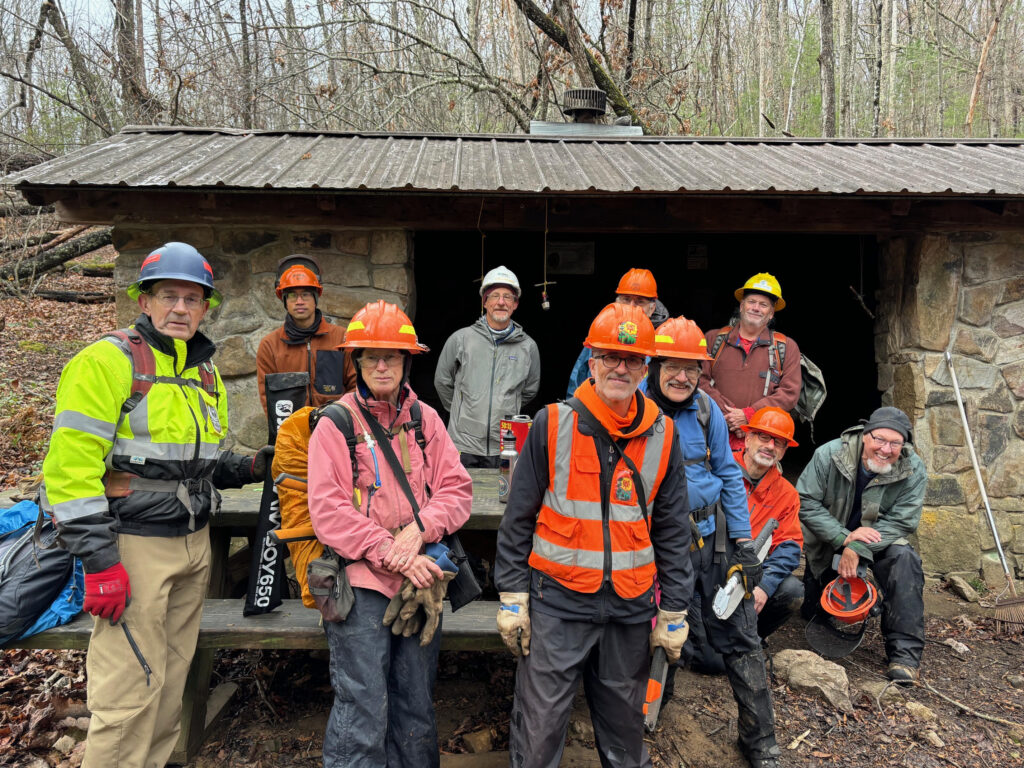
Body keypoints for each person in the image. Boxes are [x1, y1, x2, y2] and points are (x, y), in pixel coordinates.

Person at [39, 242, 269, 768]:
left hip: (192, 547)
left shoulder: (204, 373)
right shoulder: (107, 362)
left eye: (193, 298)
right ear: (144, 301)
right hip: (133, 547)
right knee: (128, 694)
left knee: (168, 687)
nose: (181, 308)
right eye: (169, 296)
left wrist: (253, 465)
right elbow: (69, 473)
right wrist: (100, 562)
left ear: (207, 307)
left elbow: (201, 461)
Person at [495, 302, 693, 768]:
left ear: (646, 367)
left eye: (632, 360)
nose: (620, 368)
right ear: (592, 361)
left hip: (630, 606)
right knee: (540, 729)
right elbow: (518, 518)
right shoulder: (553, 423)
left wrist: (675, 608)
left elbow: (671, 529)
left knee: (626, 734)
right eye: (609, 357)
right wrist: (511, 596)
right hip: (559, 602)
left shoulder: (664, 436)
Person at [307, 300, 473, 767]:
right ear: (356, 361)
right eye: (371, 356)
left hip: (421, 583)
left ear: (406, 362)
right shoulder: (335, 425)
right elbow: (329, 513)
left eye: (393, 356)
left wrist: (419, 531)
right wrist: (396, 552)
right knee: (363, 706)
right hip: (361, 586)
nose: (382, 365)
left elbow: (457, 491)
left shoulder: (425, 420)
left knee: (415, 702)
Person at [643, 317, 782, 768]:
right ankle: (645, 720)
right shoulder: (635, 409)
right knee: (649, 635)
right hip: (655, 548)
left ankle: (760, 741)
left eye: (693, 368)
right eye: (673, 366)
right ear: (654, 364)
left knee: (742, 638)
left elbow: (727, 474)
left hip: (711, 541)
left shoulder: (706, 412)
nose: (683, 377)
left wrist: (743, 542)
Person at [797, 406, 926, 683]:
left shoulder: (913, 468)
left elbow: (902, 522)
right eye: (879, 439)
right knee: (813, 610)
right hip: (830, 539)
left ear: (904, 445)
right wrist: (844, 538)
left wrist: (856, 548)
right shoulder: (829, 455)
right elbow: (805, 503)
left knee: (905, 561)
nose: (885, 449)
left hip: (879, 541)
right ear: (865, 435)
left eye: (895, 443)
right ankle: (823, 598)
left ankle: (904, 656)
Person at [434, 265, 541, 468]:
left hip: (506, 443)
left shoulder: (528, 346)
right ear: (485, 302)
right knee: (460, 497)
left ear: (515, 304)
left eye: (508, 297)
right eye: (494, 296)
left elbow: (530, 390)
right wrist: (462, 411)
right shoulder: (461, 339)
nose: (501, 302)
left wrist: (507, 406)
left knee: (502, 496)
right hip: (463, 444)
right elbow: (442, 382)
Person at [699, 272, 801, 451]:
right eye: (751, 302)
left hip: (761, 439)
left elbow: (789, 393)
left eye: (763, 305)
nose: (756, 308)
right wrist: (728, 415)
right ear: (741, 306)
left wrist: (748, 415)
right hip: (713, 432)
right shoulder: (713, 339)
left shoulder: (786, 347)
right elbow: (699, 381)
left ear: (771, 314)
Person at [735, 407, 804, 641]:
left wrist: (765, 585)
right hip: (709, 569)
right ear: (747, 438)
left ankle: (751, 636)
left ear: (784, 452)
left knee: (792, 591)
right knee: (708, 662)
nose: (770, 446)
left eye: (779, 442)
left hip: (752, 573)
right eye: (763, 437)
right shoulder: (717, 470)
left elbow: (790, 546)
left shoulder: (787, 494)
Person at [256, 254, 356, 414]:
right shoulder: (270, 345)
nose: (299, 301)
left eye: (306, 294)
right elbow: (268, 398)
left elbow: (355, 387)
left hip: (336, 431)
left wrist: (340, 422)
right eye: (292, 295)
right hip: (291, 432)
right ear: (284, 300)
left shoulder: (341, 338)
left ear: (316, 297)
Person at [565, 267, 669, 397]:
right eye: (626, 299)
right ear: (617, 301)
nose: (631, 306)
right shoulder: (602, 331)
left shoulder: (665, 336)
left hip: (645, 413)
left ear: (652, 307)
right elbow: (579, 377)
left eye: (640, 302)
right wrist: (575, 407)